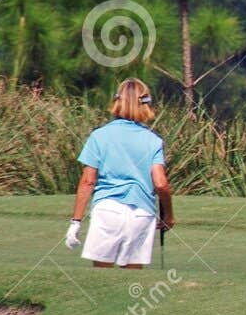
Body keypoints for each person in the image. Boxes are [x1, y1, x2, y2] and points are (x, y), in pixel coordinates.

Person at [65, 78, 173, 269]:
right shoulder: (153, 140)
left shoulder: (99, 136)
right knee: (131, 280)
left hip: (107, 209)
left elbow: (88, 182)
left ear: (117, 101)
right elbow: (161, 184)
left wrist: (76, 222)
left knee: (101, 277)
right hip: (142, 213)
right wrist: (169, 216)